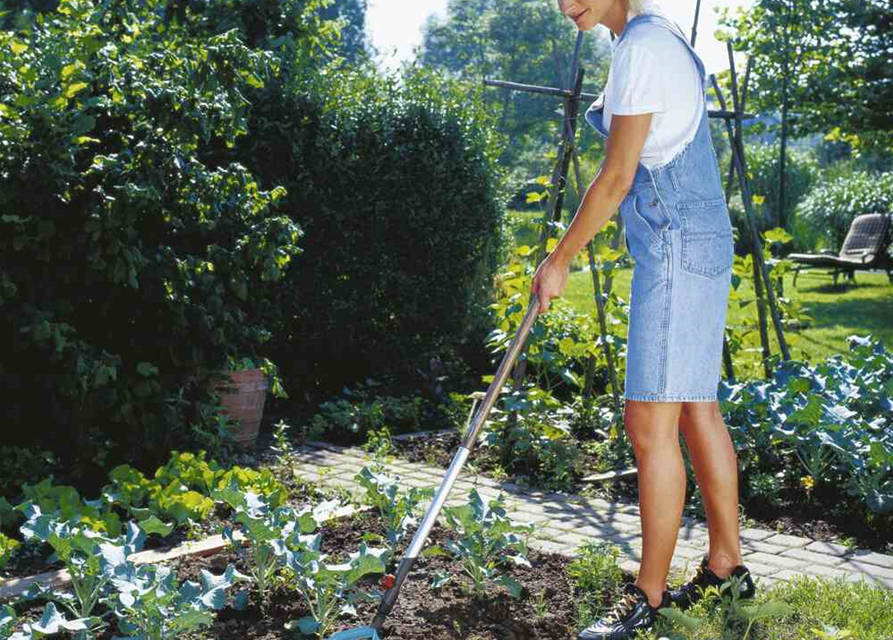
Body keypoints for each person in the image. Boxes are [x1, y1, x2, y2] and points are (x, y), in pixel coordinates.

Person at [533, 1, 757, 639]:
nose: (563, 1)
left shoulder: (639, 51)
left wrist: (559, 260)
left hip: (678, 252)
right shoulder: (662, 39)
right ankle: (725, 566)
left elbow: (618, 177)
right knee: (695, 408)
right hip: (700, 242)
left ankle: (646, 600)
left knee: (649, 424)